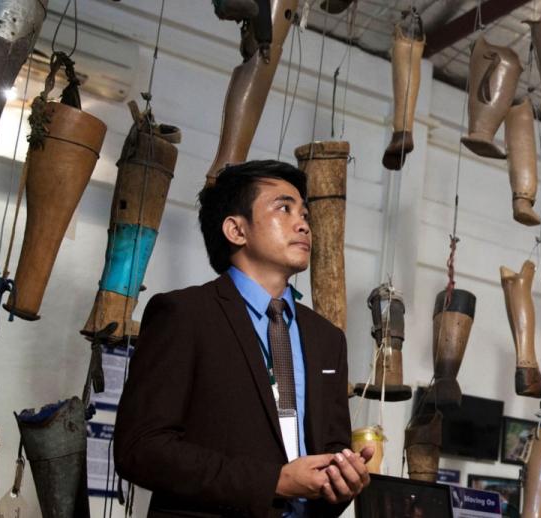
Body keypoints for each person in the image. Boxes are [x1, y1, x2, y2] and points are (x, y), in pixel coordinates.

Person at [114, 160, 372, 517]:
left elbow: (330, 451)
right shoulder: (184, 315)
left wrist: (344, 480)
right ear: (236, 230)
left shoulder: (327, 339)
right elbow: (140, 449)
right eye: (284, 208)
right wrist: (274, 481)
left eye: (305, 214)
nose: (303, 224)